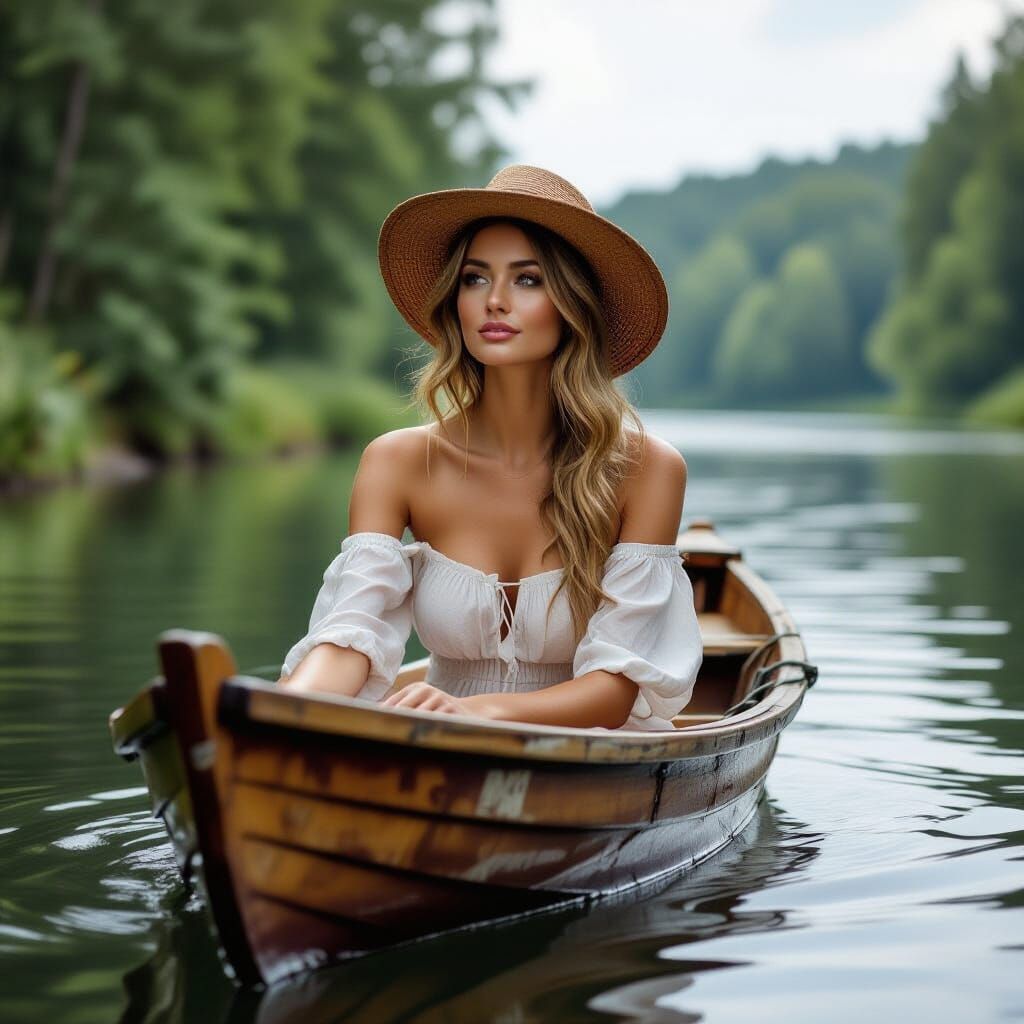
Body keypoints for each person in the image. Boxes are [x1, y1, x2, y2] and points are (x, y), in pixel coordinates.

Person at [277, 164, 703, 731]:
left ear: (574, 306)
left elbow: (612, 692)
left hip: (587, 753)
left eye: (527, 280)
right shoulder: (398, 462)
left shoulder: (646, 469)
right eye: (475, 278)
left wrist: (470, 711)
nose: (494, 301)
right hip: (439, 747)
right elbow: (351, 637)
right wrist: (284, 708)